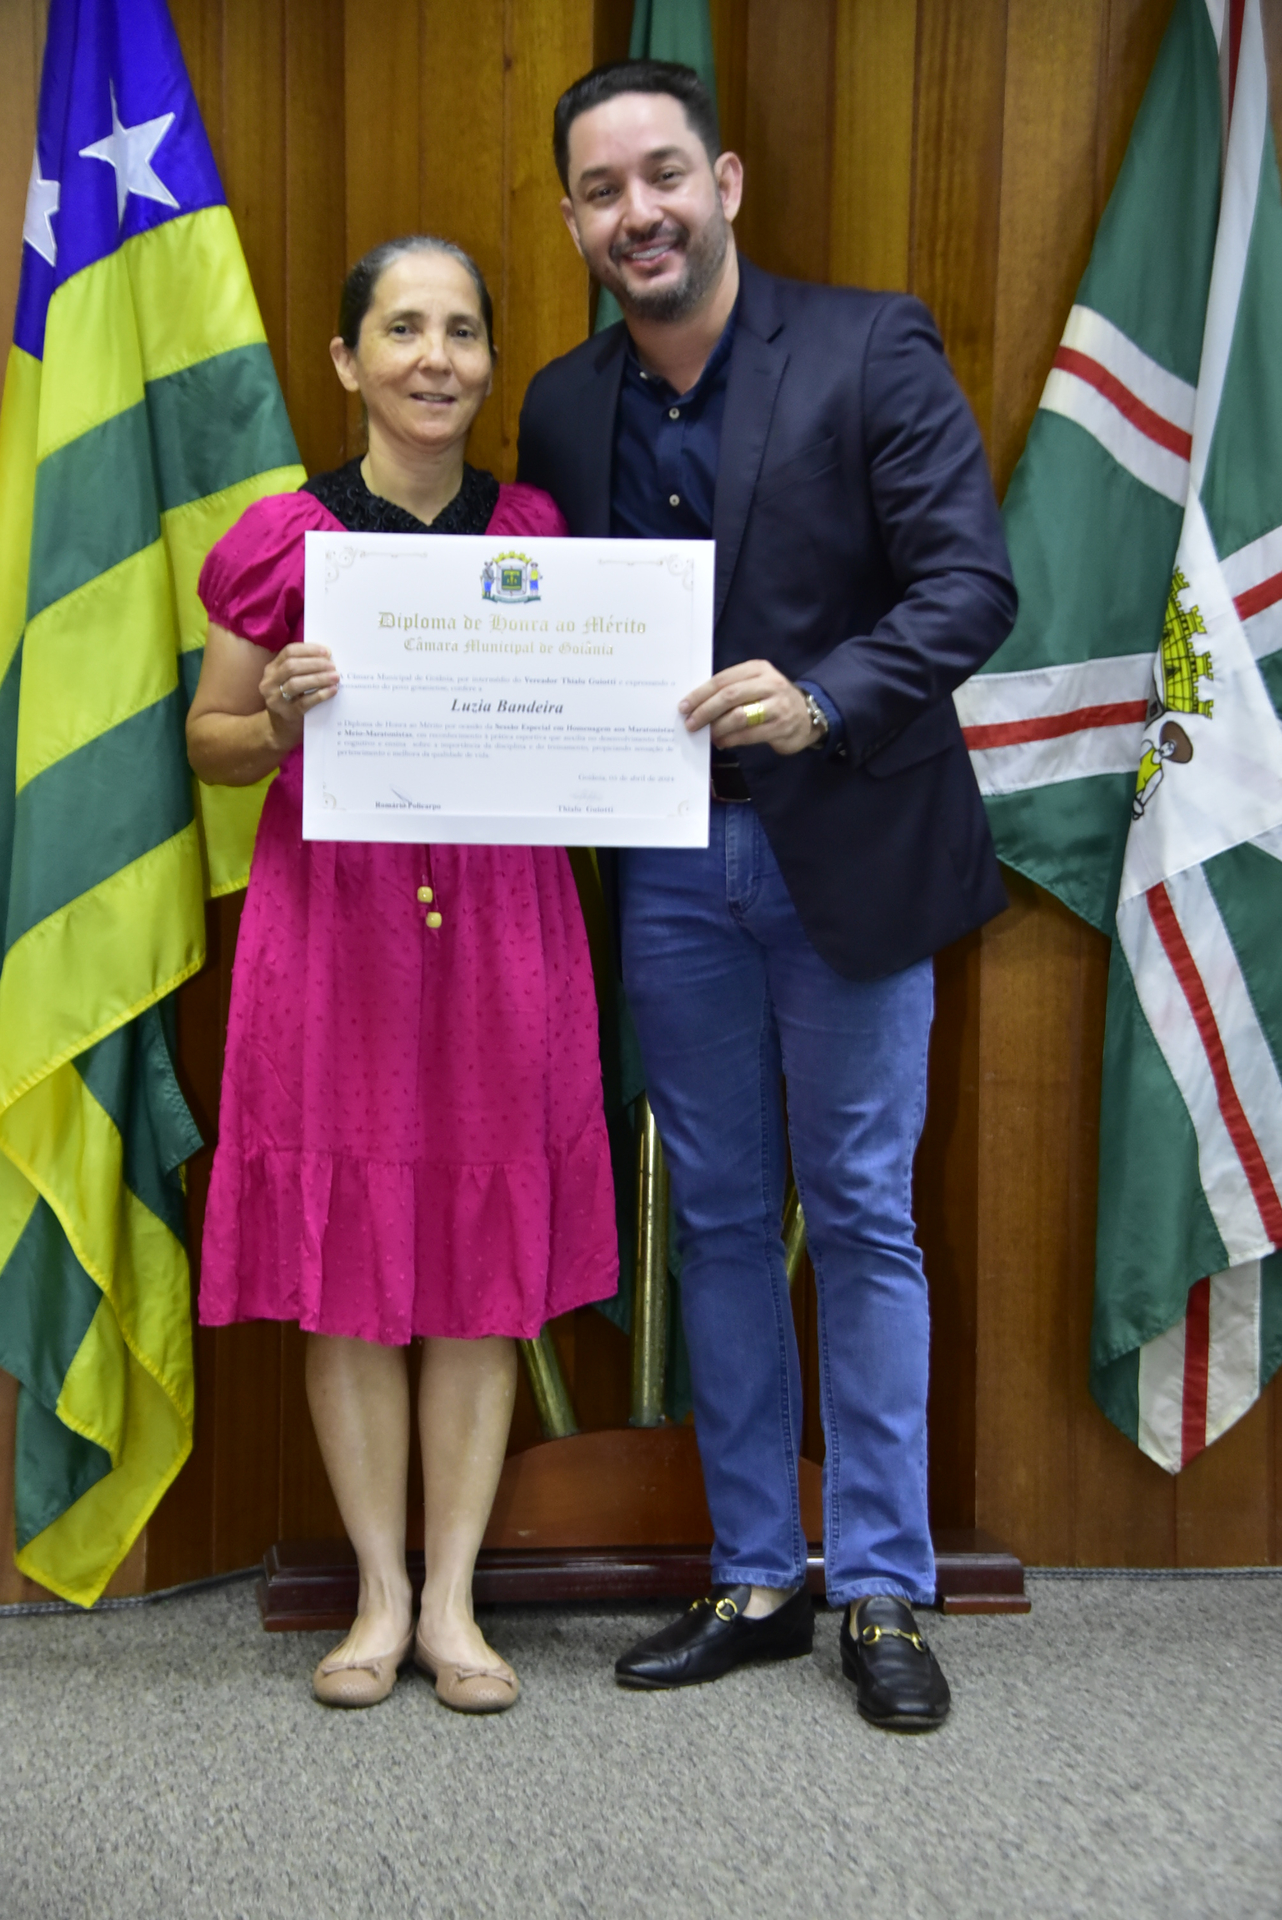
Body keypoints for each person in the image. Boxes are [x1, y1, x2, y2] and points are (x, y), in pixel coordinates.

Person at [517, 62, 1018, 1730]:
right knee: (720, 1222)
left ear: (722, 181)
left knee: (860, 1214)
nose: (638, 213)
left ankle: (880, 1587)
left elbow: (970, 585)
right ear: (575, 221)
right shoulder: (562, 405)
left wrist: (820, 698)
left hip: (847, 849)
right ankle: (755, 1573)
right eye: (603, 191)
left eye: (662, 175)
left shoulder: (870, 346)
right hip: (665, 864)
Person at [186, 236, 618, 1713]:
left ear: (490, 361)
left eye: (461, 332)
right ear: (347, 359)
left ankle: (453, 1605)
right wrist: (276, 722)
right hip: (337, 932)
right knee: (350, 1271)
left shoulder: (543, 538)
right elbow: (210, 744)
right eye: (402, 328)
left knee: (486, 1276)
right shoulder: (280, 542)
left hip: (504, 927)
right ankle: (375, 1599)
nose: (435, 357)